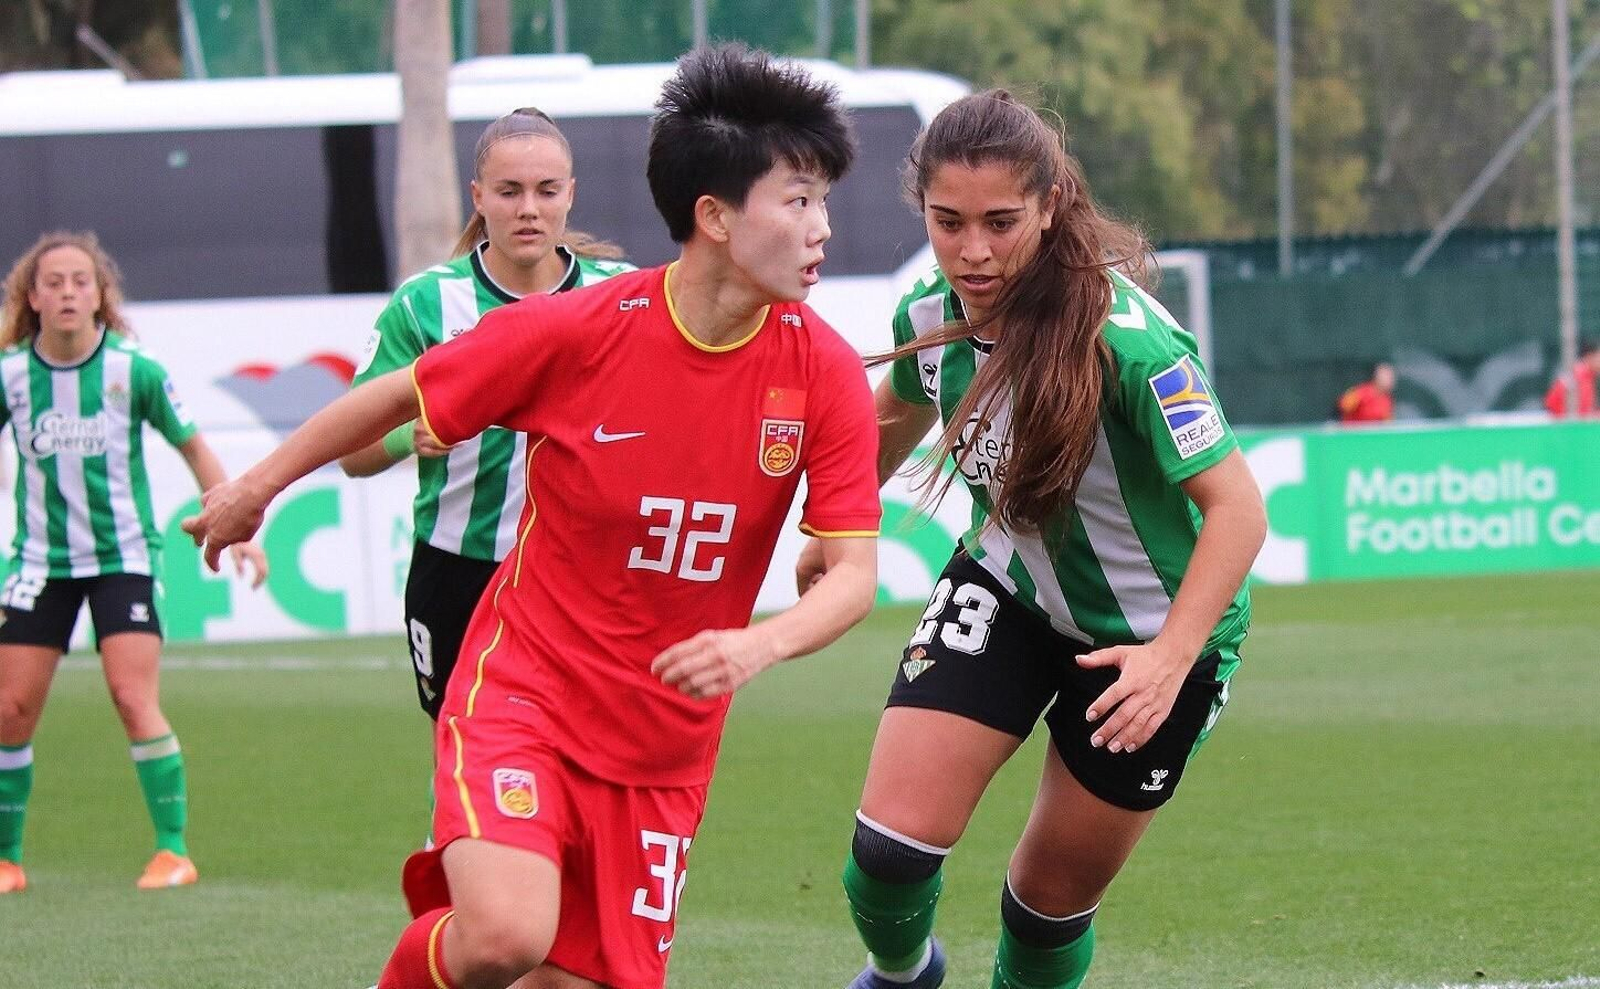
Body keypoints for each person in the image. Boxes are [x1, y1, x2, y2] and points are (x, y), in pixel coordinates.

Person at [182, 43, 881, 989]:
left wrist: (760, 643)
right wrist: (255, 487)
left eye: (823, 202)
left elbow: (853, 574)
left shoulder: (825, 370)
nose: (821, 228)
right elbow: (398, 396)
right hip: (526, 696)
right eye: (798, 201)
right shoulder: (583, 330)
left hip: (665, 748)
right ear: (714, 216)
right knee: (504, 937)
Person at [797, 91, 1267, 989]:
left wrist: (1170, 658)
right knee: (888, 851)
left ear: (1050, 207)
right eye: (948, 222)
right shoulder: (935, 321)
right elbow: (880, 425)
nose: (973, 251)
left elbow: (1239, 510)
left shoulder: (1132, 346)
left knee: (1044, 909)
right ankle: (902, 974)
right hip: (1007, 591)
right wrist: (835, 521)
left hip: (1150, 644)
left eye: (1002, 222)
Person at [341, 107, 633, 723]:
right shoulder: (425, 304)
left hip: (580, 573)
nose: (529, 208)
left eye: (546, 190)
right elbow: (353, 451)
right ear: (479, 197)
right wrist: (407, 437)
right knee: (461, 753)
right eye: (509, 191)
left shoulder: (622, 296)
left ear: (570, 194)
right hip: (457, 568)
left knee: (576, 753)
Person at [0, 231, 268, 895]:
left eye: (79, 281)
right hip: (39, 559)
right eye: (53, 282)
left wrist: (237, 526)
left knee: (131, 695)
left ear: (100, 295)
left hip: (123, 556)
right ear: (31, 296)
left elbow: (195, 448)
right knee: (9, 710)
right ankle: (6, 858)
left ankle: (172, 851)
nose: (67, 292)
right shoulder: (9, 374)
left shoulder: (133, 370)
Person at [1543, 340, 1599, 418]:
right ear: (1590, 356)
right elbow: (1551, 402)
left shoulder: (1587, 376)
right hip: (1569, 426)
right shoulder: (1580, 376)